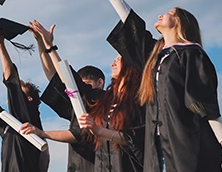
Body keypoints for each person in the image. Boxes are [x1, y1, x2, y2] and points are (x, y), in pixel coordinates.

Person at [92, 0, 222, 172]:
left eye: (169, 13)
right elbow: (132, 25)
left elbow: (203, 101)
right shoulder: (156, 57)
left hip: (185, 145)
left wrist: (220, 136)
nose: (162, 15)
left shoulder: (191, 54)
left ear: (180, 23)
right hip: (156, 147)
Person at [23, 19, 145, 172]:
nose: (112, 64)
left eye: (118, 60)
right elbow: (65, 80)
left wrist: (43, 133)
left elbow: (136, 138)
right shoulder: (101, 99)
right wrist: (48, 46)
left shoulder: (138, 101)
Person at [30, 24, 105, 172]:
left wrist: (50, 47)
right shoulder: (77, 104)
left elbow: (78, 135)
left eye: (86, 85)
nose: (80, 90)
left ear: (100, 82)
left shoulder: (102, 100)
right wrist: (41, 43)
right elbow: (53, 78)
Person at [0, 26, 49, 172]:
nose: (10, 100)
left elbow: (11, 80)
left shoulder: (29, 117)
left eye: (19, 95)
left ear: (29, 100)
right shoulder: (12, 126)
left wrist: (0, 45)